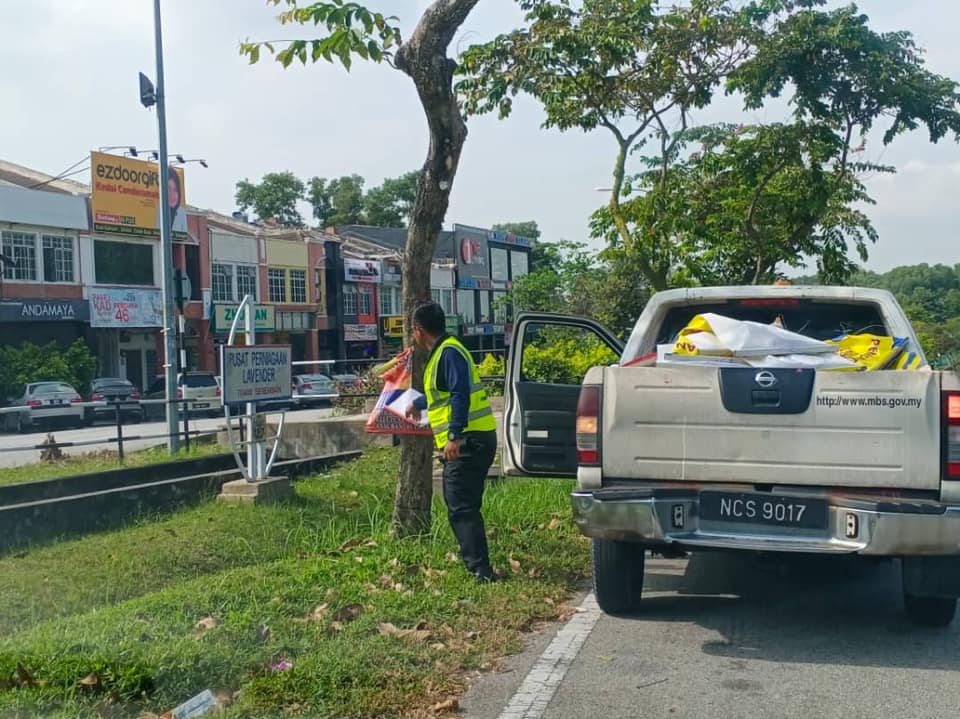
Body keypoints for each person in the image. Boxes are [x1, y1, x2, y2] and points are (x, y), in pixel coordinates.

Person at [405, 301, 498, 583]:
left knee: (461, 505)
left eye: (412, 331)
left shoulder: (448, 352)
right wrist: (419, 402)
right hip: (474, 438)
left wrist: (455, 436)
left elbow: (460, 395)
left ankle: (481, 571)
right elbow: (443, 393)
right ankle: (478, 566)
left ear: (418, 330)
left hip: (469, 440)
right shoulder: (445, 352)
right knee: (462, 504)